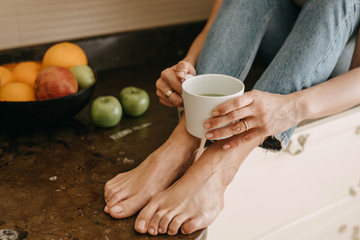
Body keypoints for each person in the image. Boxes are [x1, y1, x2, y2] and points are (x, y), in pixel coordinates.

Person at [104, 0, 360, 236]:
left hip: (338, 57)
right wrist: (188, 70)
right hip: (284, 40)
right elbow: (219, 22)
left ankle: (220, 164)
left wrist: (292, 107)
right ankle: (181, 142)